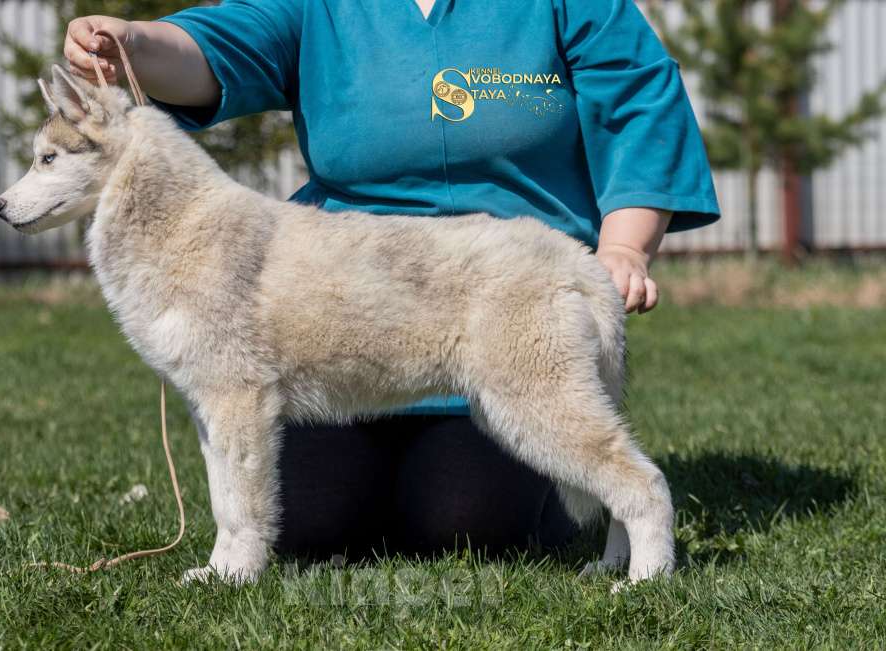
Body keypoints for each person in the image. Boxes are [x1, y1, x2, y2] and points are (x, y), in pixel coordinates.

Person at [62, 0, 720, 560]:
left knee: (467, 519)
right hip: (344, 317)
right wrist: (134, 42)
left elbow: (640, 99)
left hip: (503, 297)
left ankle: (595, 503)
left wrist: (625, 247)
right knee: (310, 523)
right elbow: (218, 44)